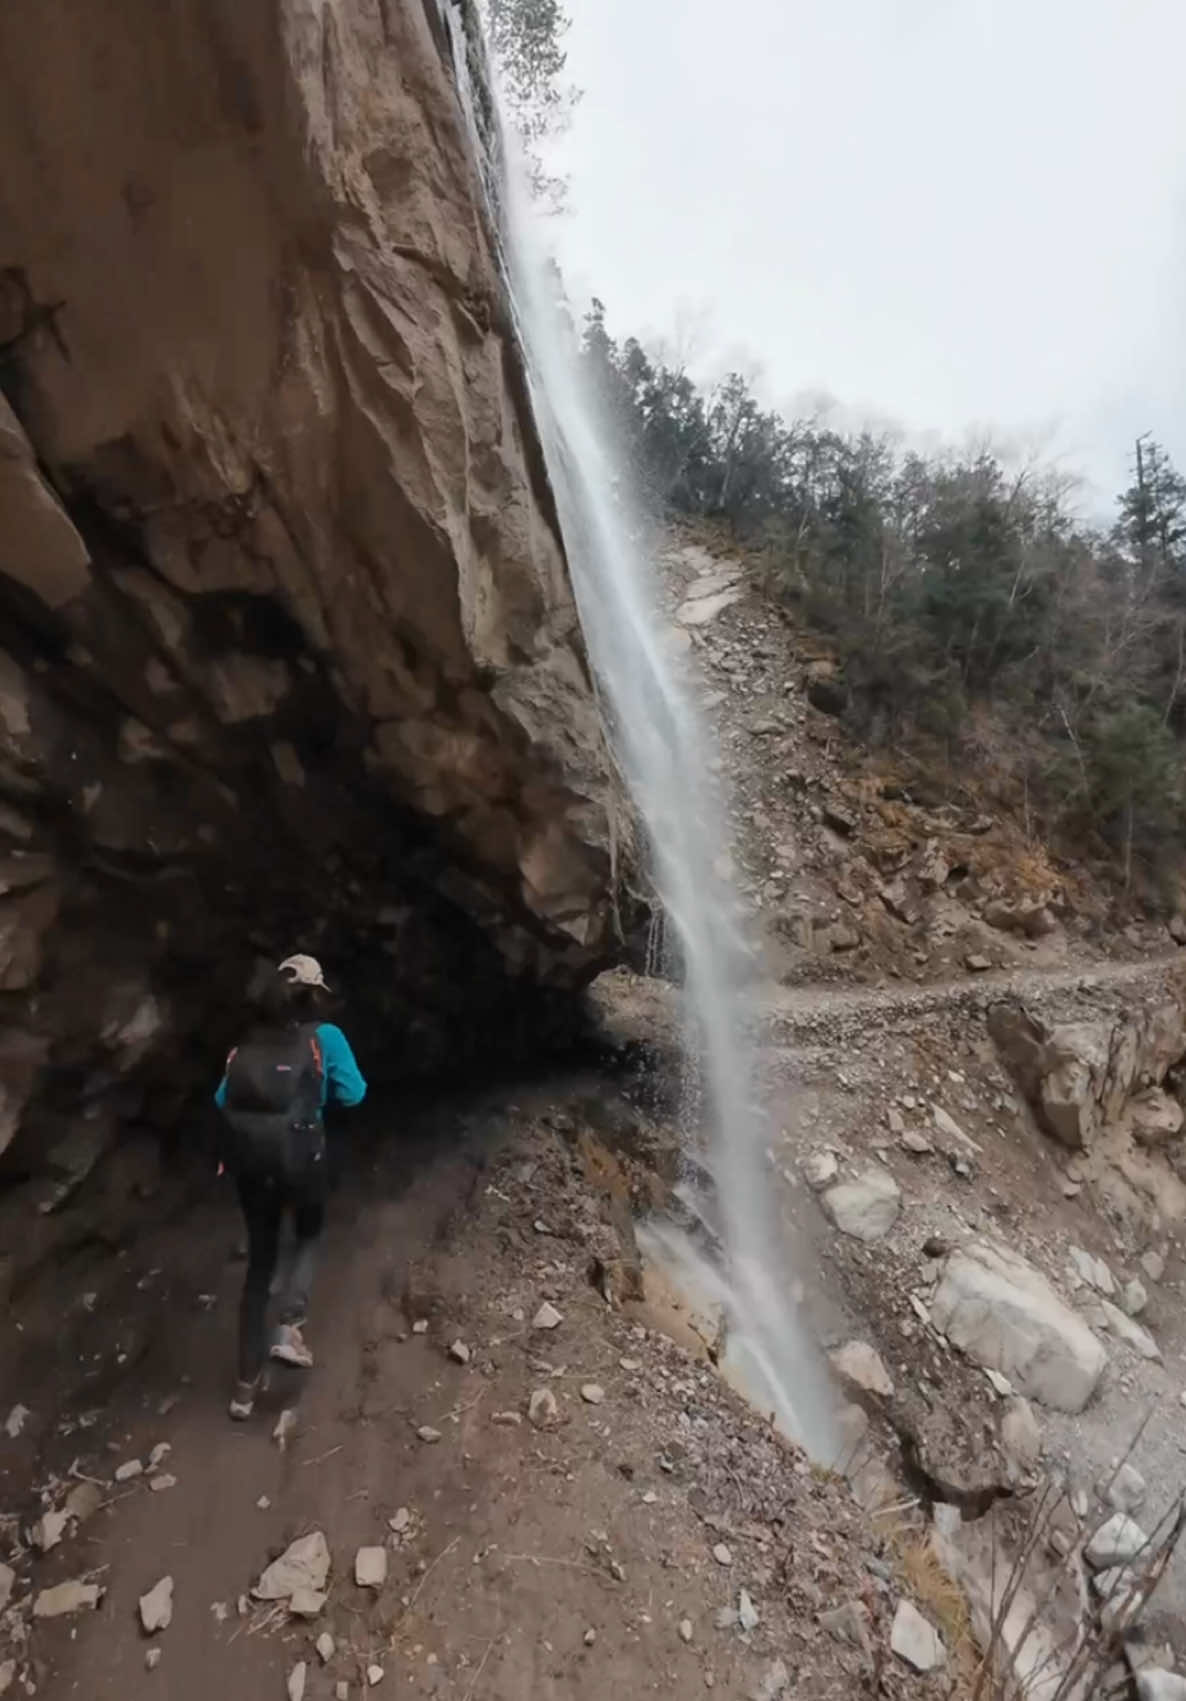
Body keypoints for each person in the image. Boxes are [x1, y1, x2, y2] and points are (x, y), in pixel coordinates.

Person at [214, 954, 366, 1420]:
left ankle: (244, 1388)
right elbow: (354, 1093)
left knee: (260, 1266)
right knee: (308, 1233)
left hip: (251, 1167)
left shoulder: (246, 1044)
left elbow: (221, 1099)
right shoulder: (326, 1038)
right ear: (315, 993)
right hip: (302, 1161)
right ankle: (288, 1327)